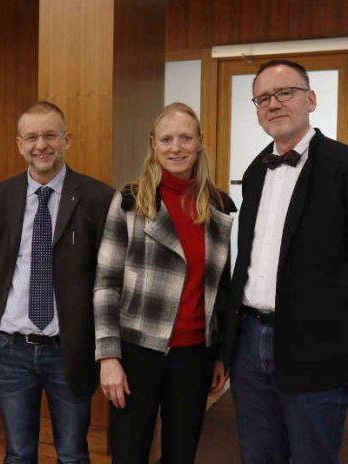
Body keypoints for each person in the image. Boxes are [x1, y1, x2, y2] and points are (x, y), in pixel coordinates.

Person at [223, 59, 348, 464]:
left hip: (316, 348)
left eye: (285, 92)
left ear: (311, 99)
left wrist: (345, 334)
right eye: (263, 98)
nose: (274, 103)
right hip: (250, 344)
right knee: (258, 456)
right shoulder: (254, 172)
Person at [94, 102, 236, 463]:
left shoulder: (220, 206)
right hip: (136, 351)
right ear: (153, 144)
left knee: (181, 453)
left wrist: (220, 353)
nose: (177, 147)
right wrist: (108, 356)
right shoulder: (128, 200)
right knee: (129, 452)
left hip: (195, 355)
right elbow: (105, 284)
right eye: (167, 139)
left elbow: (222, 289)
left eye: (186, 138)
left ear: (200, 142)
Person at [0, 101, 114, 463]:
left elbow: (107, 277)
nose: (41, 145)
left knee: (72, 453)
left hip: (68, 349)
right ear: (19, 145)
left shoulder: (99, 197)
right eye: (32, 137)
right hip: (11, 350)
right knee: (18, 452)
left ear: (67, 139)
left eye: (50, 135)